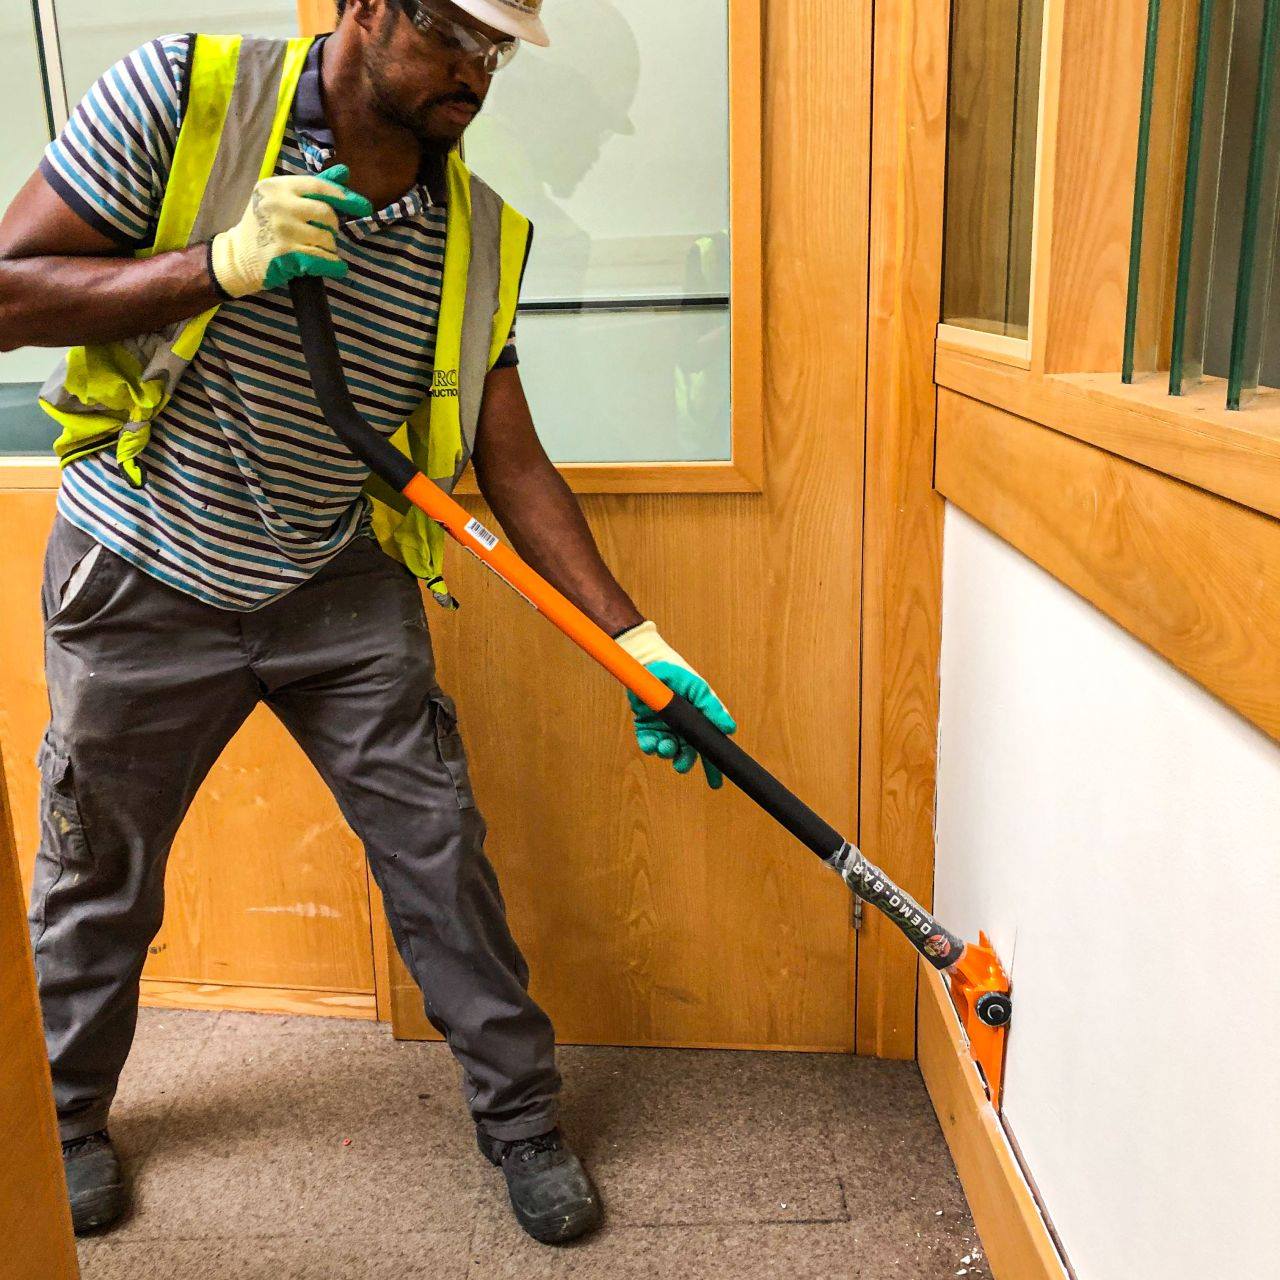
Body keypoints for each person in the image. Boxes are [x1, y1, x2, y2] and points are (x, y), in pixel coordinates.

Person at [0, 0, 736, 1246]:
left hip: (337, 582)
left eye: (497, 49)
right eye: (453, 33)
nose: (476, 71)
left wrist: (636, 643)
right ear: (365, 8)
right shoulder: (185, 94)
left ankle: (520, 1119)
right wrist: (214, 265)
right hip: (143, 571)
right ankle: (60, 1115)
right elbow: (7, 292)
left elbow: (510, 456)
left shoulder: (480, 233)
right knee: (97, 874)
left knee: (438, 852)